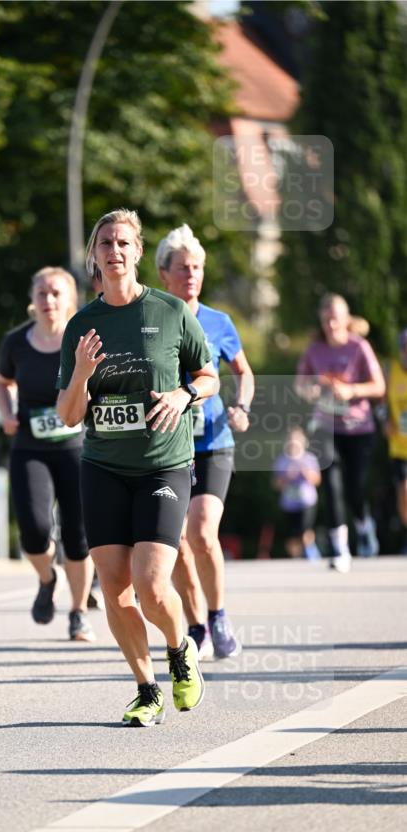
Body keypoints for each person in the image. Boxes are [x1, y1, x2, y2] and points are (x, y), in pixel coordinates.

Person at [57, 208, 218, 727]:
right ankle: (146, 689)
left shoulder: (171, 311)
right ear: (94, 254)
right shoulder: (81, 325)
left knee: (150, 585)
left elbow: (209, 376)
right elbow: (69, 415)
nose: (115, 251)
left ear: (139, 251)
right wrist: (81, 373)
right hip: (103, 467)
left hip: (162, 466)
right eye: (105, 242)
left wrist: (184, 394)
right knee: (115, 589)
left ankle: (179, 647)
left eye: (123, 242)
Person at [156, 223, 254, 660]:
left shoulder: (219, 322)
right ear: (164, 274)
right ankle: (196, 626)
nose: (191, 275)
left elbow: (243, 372)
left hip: (213, 442)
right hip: (167, 446)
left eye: (196, 267)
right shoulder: (153, 320)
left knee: (200, 531)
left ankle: (218, 615)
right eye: (182, 267)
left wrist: (242, 406)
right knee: (175, 541)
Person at [0, 266, 96, 642]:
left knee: (78, 534)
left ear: (70, 300)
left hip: (77, 447)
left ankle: (79, 612)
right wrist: (7, 414)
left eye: (56, 293)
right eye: (42, 293)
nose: (49, 300)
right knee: (34, 532)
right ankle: (47, 577)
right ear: (32, 300)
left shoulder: (83, 339)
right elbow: (1, 382)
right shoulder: (15, 343)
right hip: (30, 447)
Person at [295, 293, 385, 570]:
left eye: (335, 318)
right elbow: (300, 384)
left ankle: (364, 525)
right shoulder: (314, 350)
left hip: (359, 428)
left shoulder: (359, 347)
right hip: (325, 427)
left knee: (354, 488)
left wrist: (351, 390)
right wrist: (311, 390)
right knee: (331, 487)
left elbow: (379, 386)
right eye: (326, 319)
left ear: (346, 319)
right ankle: (340, 549)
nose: (331, 324)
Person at [272, 427, 321, 559]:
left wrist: (305, 473)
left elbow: (317, 480)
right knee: (292, 535)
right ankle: (296, 559)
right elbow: (276, 484)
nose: (294, 442)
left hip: (307, 502)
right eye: (291, 439)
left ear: (304, 441)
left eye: (297, 439)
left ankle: (310, 553)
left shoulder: (309, 459)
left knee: (305, 530)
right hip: (289, 503)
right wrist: (287, 477)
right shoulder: (282, 460)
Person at [384, 327, 407, 553]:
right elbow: (382, 401)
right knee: (404, 493)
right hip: (399, 446)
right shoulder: (391, 371)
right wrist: (384, 420)